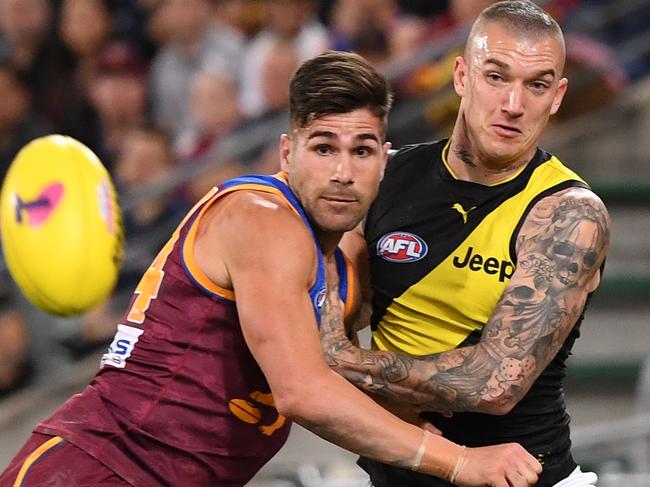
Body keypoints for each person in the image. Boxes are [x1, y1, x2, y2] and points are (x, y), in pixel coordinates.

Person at [0, 51, 541, 487]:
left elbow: (334, 369)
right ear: (287, 153)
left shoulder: (343, 265)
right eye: (323, 148)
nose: (343, 172)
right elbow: (302, 390)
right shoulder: (260, 219)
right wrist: (458, 461)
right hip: (100, 465)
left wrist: (424, 429)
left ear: (385, 160)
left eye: (362, 151)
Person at [320, 2, 610, 487]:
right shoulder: (383, 176)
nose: (513, 104)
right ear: (461, 75)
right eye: (496, 77)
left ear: (557, 96)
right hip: (396, 471)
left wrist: (343, 360)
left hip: (523, 477)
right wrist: (385, 400)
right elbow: (326, 313)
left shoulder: (569, 213)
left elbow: (494, 383)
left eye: (536, 85)